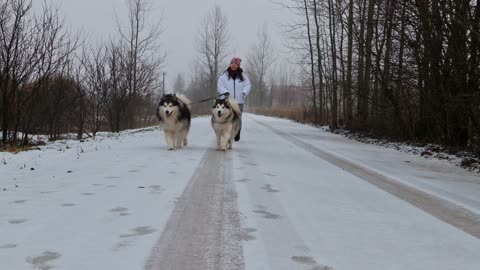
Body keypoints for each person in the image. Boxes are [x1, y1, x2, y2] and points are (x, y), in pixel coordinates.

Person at [217, 57, 251, 141]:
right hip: (227, 101)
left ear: (238, 65)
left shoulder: (243, 76)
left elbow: (248, 85)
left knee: (237, 118)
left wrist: (244, 93)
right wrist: (224, 92)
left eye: (235, 64)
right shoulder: (224, 75)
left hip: (239, 101)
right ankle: (226, 133)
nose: (233, 65)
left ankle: (237, 132)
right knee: (227, 118)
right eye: (232, 63)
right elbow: (219, 85)